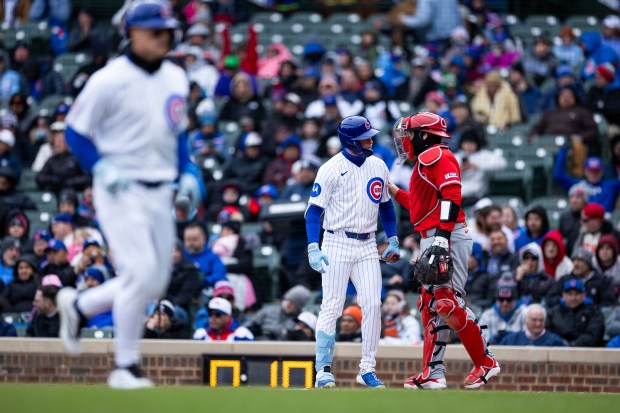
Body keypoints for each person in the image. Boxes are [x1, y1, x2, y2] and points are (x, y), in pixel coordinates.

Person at [55, 1, 204, 390]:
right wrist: (100, 166)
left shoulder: (174, 76)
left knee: (154, 283)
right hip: (119, 187)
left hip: (160, 190)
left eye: (167, 30)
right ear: (132, 33)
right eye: (155, 30)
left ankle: (80, 305)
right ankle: (125, 366)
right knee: (139, 273)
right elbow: (75, 131)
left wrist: (188, 170)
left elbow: (179, 133)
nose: (163, 37)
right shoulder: (109, 78)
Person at [388, 112, 499, 390]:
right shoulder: (425, 162)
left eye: (410, 134)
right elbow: (417, 206)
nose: (405, 140)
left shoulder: (437, 154)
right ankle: (432, 372)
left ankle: (485, 361)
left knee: (448, 302)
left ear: (424, 135)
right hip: (433, 235)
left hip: (446, 235)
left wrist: (441, 237)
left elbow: (452, 196)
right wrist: (392, 190)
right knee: (430, 304)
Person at [305, 115, 400, 389]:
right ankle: (323, 369)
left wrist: (392, 238)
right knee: (332, 305)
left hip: (368, 243)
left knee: (372, 303)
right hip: (336, 241)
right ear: (350, 141)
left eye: (370, 136)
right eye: (364, 138)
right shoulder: (330, 168)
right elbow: (314, 211)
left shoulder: (379, 165)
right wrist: (313, 245)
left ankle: (367, 369)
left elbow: (386, 205)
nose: (370, 140)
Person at [546, 279, 605, 347]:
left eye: (577, 294)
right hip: (558, 350)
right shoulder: (553, 312)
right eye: (570, 294)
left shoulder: (594, 312)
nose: (573, 298)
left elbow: (594, 335)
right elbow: (547, 333)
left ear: (583, 295)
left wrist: (571, 346)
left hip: (586, 352)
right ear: (563, 295)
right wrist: (560, 343)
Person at [498, 304, 567, 346]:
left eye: (541, 320)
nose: (538, 324)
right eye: (534, 320)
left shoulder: (555, 342)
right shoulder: (511, 340)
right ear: (525, 321)